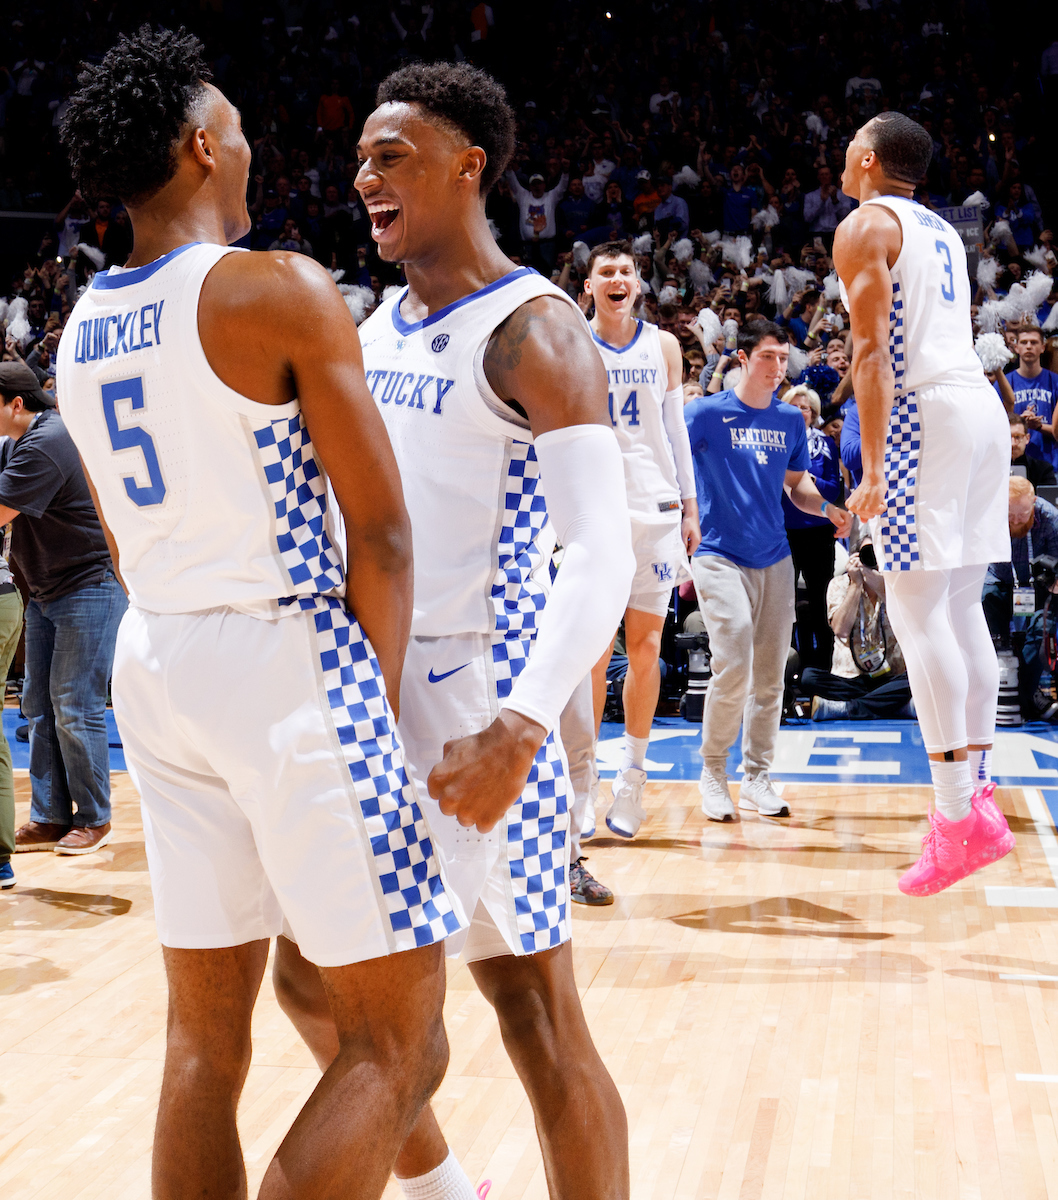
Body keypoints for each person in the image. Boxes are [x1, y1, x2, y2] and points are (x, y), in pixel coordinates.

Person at [57, 28, 464, 1198]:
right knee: (397, 1042)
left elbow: (121, 534)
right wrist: (368, 708)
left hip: (160, 656)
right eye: (234, 130)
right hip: (286, 656)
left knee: (202, 1044)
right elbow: (382, 536)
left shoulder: (81, 322)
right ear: (198, 145)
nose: (248, 149)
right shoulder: (273, 287)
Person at [274, 61, 634, 1200]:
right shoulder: (375, 320)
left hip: (481, 712)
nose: (363, 174)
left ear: (468, 167)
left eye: (393, 155)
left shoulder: (535, 330)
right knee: (310, 982)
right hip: (377, 697)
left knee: (524, 1017)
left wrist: (519, 735)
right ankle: (444, 1190)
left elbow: (603, 553)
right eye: (361, 157)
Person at [835, 110, 1015, 897]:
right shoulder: (939, 229)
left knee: (916, 613)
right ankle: (979, 790)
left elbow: (871, 353)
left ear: (868, 160)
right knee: (961, 604)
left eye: (848, 149)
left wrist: (872, 465)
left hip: (923, 416)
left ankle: (954, 818)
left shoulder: (865, 224)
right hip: (979, 407)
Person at [684, 322, 852, 823]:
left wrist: (827, 509)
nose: (778, 367)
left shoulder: (789, 420)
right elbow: (669, 462)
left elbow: (795, 487)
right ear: (741, 357)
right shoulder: (704, 414)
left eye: (784, 358)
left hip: (775, 557)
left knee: (771, 674)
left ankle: (756, 775)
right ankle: (713, 771)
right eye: (768, 357)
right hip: (716, 553)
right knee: (733, 656)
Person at [582, 240, 700, 839]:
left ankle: (631, 781)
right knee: (593, 657)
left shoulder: (664, 345)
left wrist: (690, 502)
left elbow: (675, 428)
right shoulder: (574, 342)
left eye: (626, 271)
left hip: (655, 509)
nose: (617, 278)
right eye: (606, 272)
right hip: (596, 511)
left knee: (646, 647)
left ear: (637, 285)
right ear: (589, 287)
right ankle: (583, 783)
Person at [0, 363, 125, 857]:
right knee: (38, 706)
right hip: (48, 588)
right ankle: (50, 817)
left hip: (87, 584)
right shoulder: (19, 443)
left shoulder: (48, 441)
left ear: (15, 403)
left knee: (75, 703)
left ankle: (94, 818)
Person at [804, 533, 916, 720]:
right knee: (809, 677)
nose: (873, 558)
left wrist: (880, 585)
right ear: (855, 557)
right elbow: (841, 629)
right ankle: (893, 706)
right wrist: (856, 585)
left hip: (890, 675)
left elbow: (908, 621)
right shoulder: (839, 584)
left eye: (878, 553)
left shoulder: (897, 585)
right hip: (849, 679)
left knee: (916, 678)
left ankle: (845, 709)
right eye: (867, 553)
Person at [984, 477, 1058, 716]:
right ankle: (991, 693)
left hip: (1037, 584)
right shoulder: (986, 514)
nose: (1016, 520)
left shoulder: (1050, 518)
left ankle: (1024, 695)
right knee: (988, 619)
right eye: (1010, 514)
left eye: (1023, 514)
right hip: (997, 579)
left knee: (1041, 628)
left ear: (1034, 502)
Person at [782, 383, 843, 670]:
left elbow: (833, 490)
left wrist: (810, 482)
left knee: (821, 603)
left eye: (803, 407)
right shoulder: (775, 440)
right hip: (783, 533)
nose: (798, 412)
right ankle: (788, 666)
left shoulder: (825, 444)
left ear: (813, 413)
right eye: (792, 406)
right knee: (783, 605)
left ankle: (826, 669)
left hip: (818, 532)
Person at [994, 327, 1058, 474]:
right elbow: (994, 426)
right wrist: (1019, 424)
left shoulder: (1055, 382)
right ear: (1016, 347)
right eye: (1024, 342)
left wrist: (1039, 426)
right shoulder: (1003, 383)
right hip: (1012, 462)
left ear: (1042, 347)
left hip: (1050, 464)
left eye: (1034, 342)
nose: (1029, 346)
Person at [1010, 411, 1057, 488]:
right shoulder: (991, 468)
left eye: (1018, 437)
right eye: (1008, 437)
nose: (1013, 443)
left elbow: (1049, 498)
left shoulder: (1044, 470)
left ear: (1027, 438)